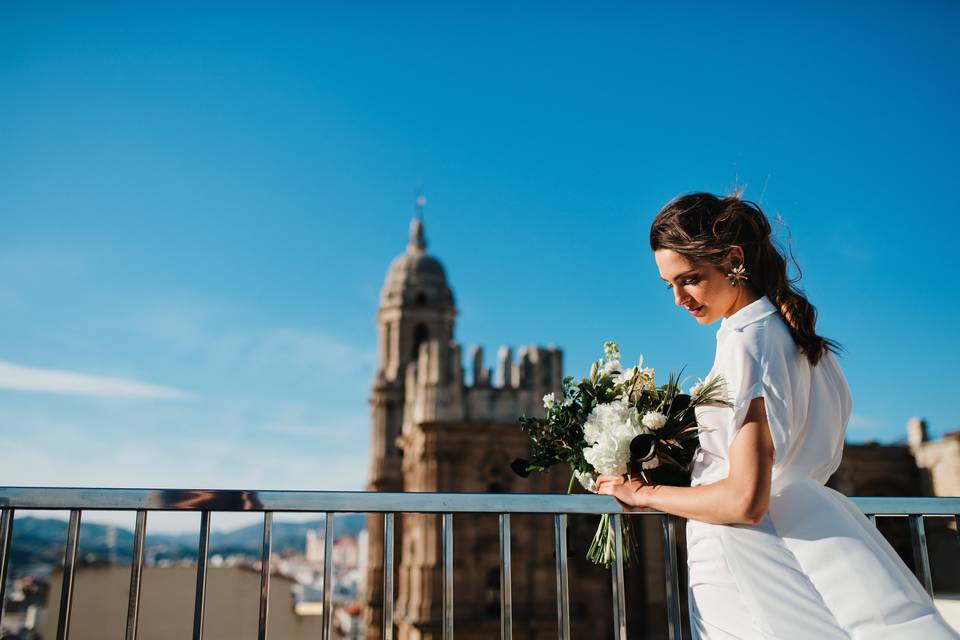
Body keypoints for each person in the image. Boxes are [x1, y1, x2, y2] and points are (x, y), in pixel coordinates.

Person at [596, 192, 958, 639]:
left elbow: (745, 500)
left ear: (733, 258)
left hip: (747, 561)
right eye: (669, 284)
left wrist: (643, 495)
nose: (678, 299)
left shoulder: (750, 341)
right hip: (788, 547)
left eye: (689, 279)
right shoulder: (798, 340)